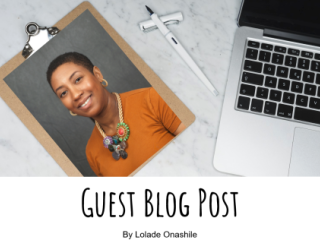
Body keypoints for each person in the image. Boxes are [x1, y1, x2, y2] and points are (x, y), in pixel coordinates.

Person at [46, 52, 186, 176]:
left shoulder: (153, 99)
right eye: (63, 93)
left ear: (97, 75)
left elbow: (199, 147)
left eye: (78, 79)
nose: (75, 95)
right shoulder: (92, 152)